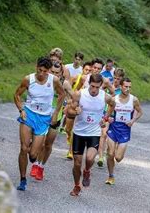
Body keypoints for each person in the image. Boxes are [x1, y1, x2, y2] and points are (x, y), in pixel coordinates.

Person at [13, 56, 65, 191]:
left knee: (33, 155)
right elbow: (17, 95)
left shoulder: (54, 80)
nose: (41, 73)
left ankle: (32, 148)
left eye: (44, 71)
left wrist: (55, 113)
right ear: (36, 67)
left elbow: (62, 95)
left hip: (43, 119)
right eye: (39, 70)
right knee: (24, 149)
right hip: (29, 115)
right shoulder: (28, 79)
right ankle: (23, 179)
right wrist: (21, 110)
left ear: (49, 71)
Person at [66, 73, 115, 196]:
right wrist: (75, 111)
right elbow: (69, 112)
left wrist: (105, 118)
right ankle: (77, 185)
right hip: (79, 133)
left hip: (94, 132)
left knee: (89, 158)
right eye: (92, 86)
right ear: (89, 83)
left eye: (97, 87)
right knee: (77, 164)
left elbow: (113, 104)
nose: (94, 90)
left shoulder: (105, 96)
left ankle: (87, 171)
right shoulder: (80, 94)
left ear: (101, 86)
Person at [33, 62, 75, 180]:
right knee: (39, 142)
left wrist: (69, 103)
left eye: (58, 73)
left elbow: (73, 97)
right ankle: (35, 164)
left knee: (48, 144)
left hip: (56, 117)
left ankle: (41, 166)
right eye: (53, 72)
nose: (55, 75)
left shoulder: (64, 83)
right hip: (42, 114)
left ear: (61, 73)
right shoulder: (44, 80)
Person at [105, 78, 143, 185]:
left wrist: (133, 120)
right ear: (121, 86)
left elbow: (140, 112)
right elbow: (107, 113)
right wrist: (108, 119)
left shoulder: (134, 100)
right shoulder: (114, 99)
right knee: (110, 154)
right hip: (113, 128)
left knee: (118, 158)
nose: (128, 89)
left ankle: (119, 152)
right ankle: (111, 176)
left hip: (125, 131)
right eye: (126, 86)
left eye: (129, 87)